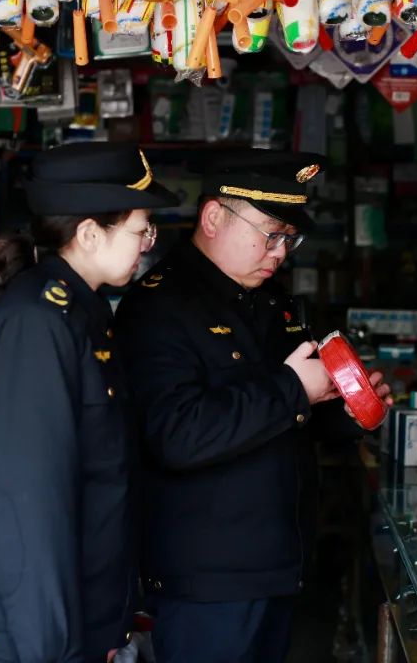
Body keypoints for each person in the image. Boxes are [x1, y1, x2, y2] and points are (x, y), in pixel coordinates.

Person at [115, 154, 392, 663]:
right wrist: (294, 388)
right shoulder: (160, 306)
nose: (279, 252)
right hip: (208, 576)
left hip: (278, 564)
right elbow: (176, 435)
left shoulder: (273, 303)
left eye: (289, 238)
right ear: (213, 217)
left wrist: (346, 411)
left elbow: (291, 421)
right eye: (270, 234)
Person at [0, 142, 178, 663]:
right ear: (90, 234)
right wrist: (54, 649)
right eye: (141, 231)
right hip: (31, 639)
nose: (146, 245)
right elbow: (25, 512)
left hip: (76, 624)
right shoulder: (35, 326)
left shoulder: (81, 313)